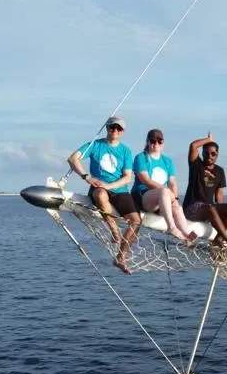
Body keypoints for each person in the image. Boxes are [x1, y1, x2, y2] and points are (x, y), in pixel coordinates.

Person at [67, 115, 140, 274]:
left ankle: (121, 257)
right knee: (100, 195)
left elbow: (128, 177)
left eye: (118, 128)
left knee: (136, 221)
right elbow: (73, 159)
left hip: (119, 190)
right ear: (107, 128)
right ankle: (114, 230)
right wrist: (86, 177)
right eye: (112, 127)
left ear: (122, 131)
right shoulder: (95, 145)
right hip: (98, 187)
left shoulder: (125, 151)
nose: (115, 130)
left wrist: (110, 185)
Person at [132, 128, 197, 244]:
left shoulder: (167, 161)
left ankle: (186, 234)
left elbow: (172, 182)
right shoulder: (141, 158)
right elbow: (145, 180)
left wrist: (174, 198)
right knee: (164, 192)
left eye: (159, 141)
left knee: (177, 206)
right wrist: (167, 192)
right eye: (152, 141)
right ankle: (171, 227)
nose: (156, 144)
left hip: (163, 199)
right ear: (147, 142)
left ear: (163, 143)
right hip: (144, 197)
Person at [183, 131, 227, 251]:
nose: (210, 156)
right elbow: (193, 146)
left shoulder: (220, 171)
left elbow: (219, 196)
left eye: (213, 154)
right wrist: (208, 140)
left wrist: (226, 215)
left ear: (217, 154)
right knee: (211, 208)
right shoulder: (196, 165)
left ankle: (219, 239)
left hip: (209, 208)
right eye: (207, 153)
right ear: (203, 153)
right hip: (192, 207)